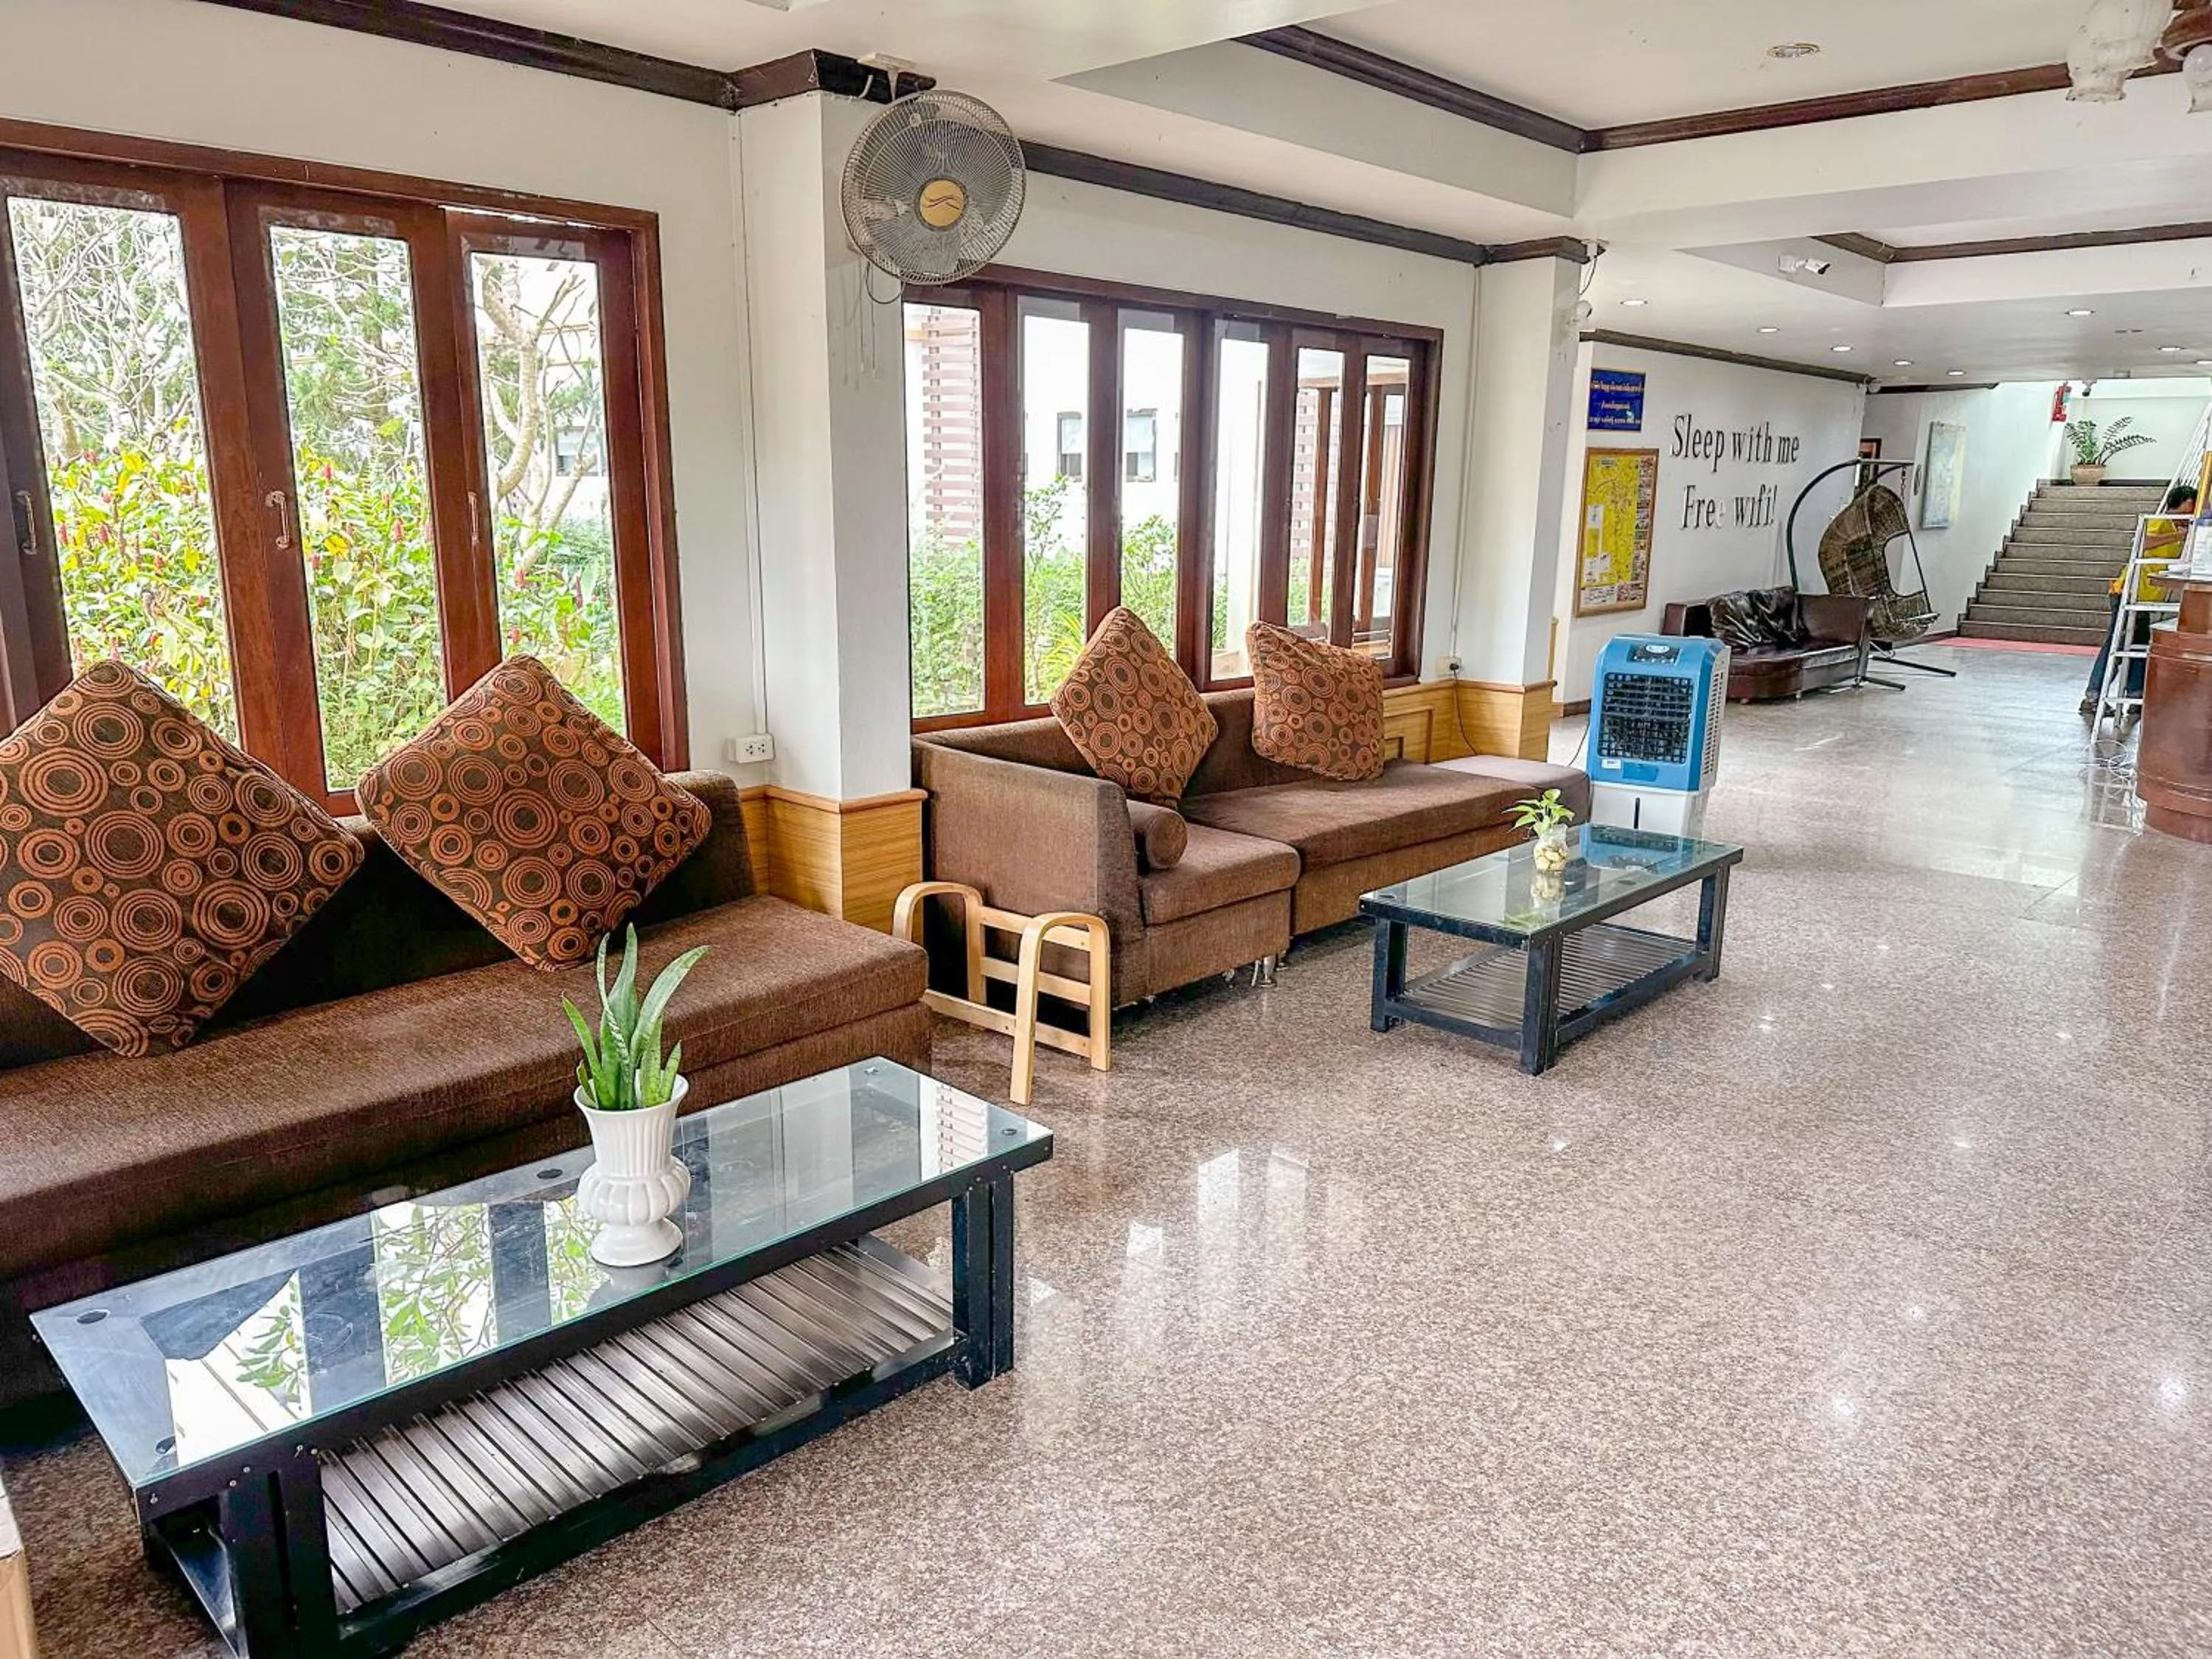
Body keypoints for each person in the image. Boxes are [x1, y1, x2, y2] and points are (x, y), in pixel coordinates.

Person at [2081, 482, 2197, 713]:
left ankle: (2135, 697)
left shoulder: (2181, 530)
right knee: (2116, 644)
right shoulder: (2159, 521)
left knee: (2141, 645)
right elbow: (2141, 544)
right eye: (2185, 512)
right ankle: (2093, 697)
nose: (2187, 518)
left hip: (2144, 599)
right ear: (2173, 508)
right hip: (2127, 593)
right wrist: (2176, 536)